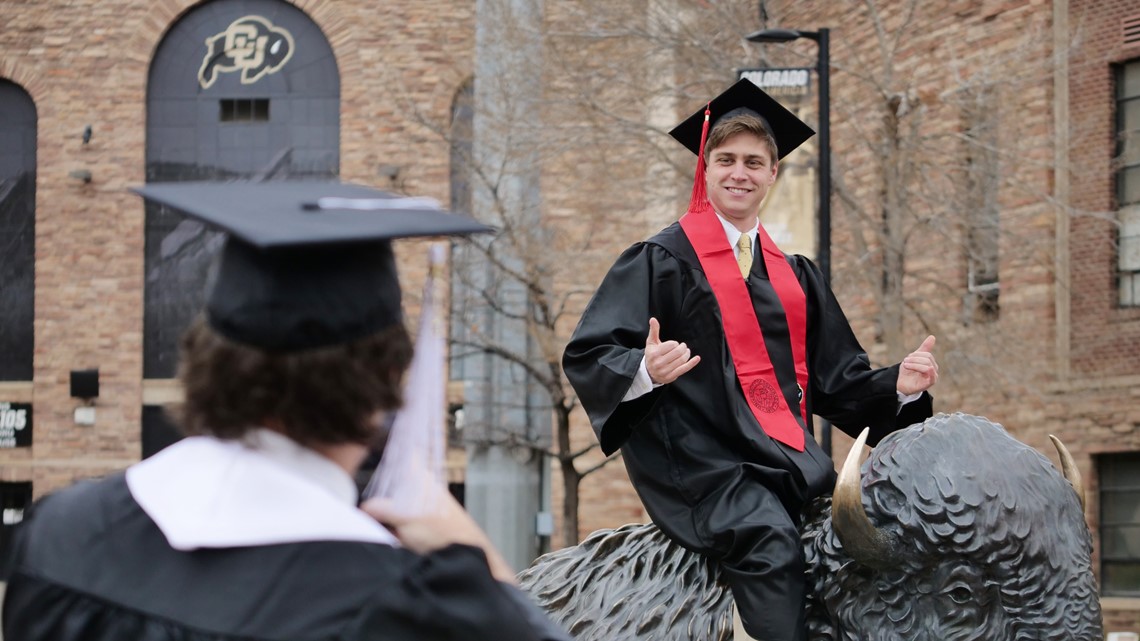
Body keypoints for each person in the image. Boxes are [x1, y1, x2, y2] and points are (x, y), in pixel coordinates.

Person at [1, 181, 570, 641]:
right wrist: (481, 567)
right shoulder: (405, 605)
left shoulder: (62, 531)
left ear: (205, 357)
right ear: (382, 383)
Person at [562, 80, 939, 641]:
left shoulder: (796, 275)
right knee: (769, 543)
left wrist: (900, 387)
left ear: (773, 174)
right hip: (703, 461)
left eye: (754, 162)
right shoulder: (660, 261)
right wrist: (644, 369)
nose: (740, 172)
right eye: (726, 160)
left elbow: (840, 382)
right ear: (705, 169)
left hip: (786, 462)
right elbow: (590, 352)